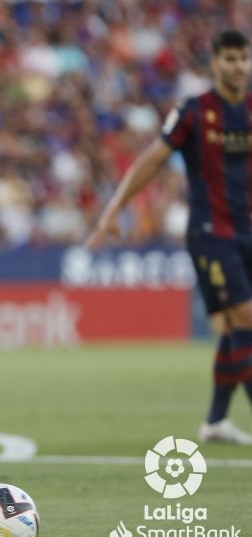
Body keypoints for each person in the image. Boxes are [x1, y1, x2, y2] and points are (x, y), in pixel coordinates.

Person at [87, 29, 252, 445]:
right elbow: (152, 160)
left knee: (236, 329)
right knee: (247, 319)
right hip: (212, 233)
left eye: (243, 58)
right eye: (229, 58)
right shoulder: (195, 112)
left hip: (248, 232)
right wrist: (112, 211)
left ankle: (215, 421)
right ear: (215, 62)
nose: (237, 66)